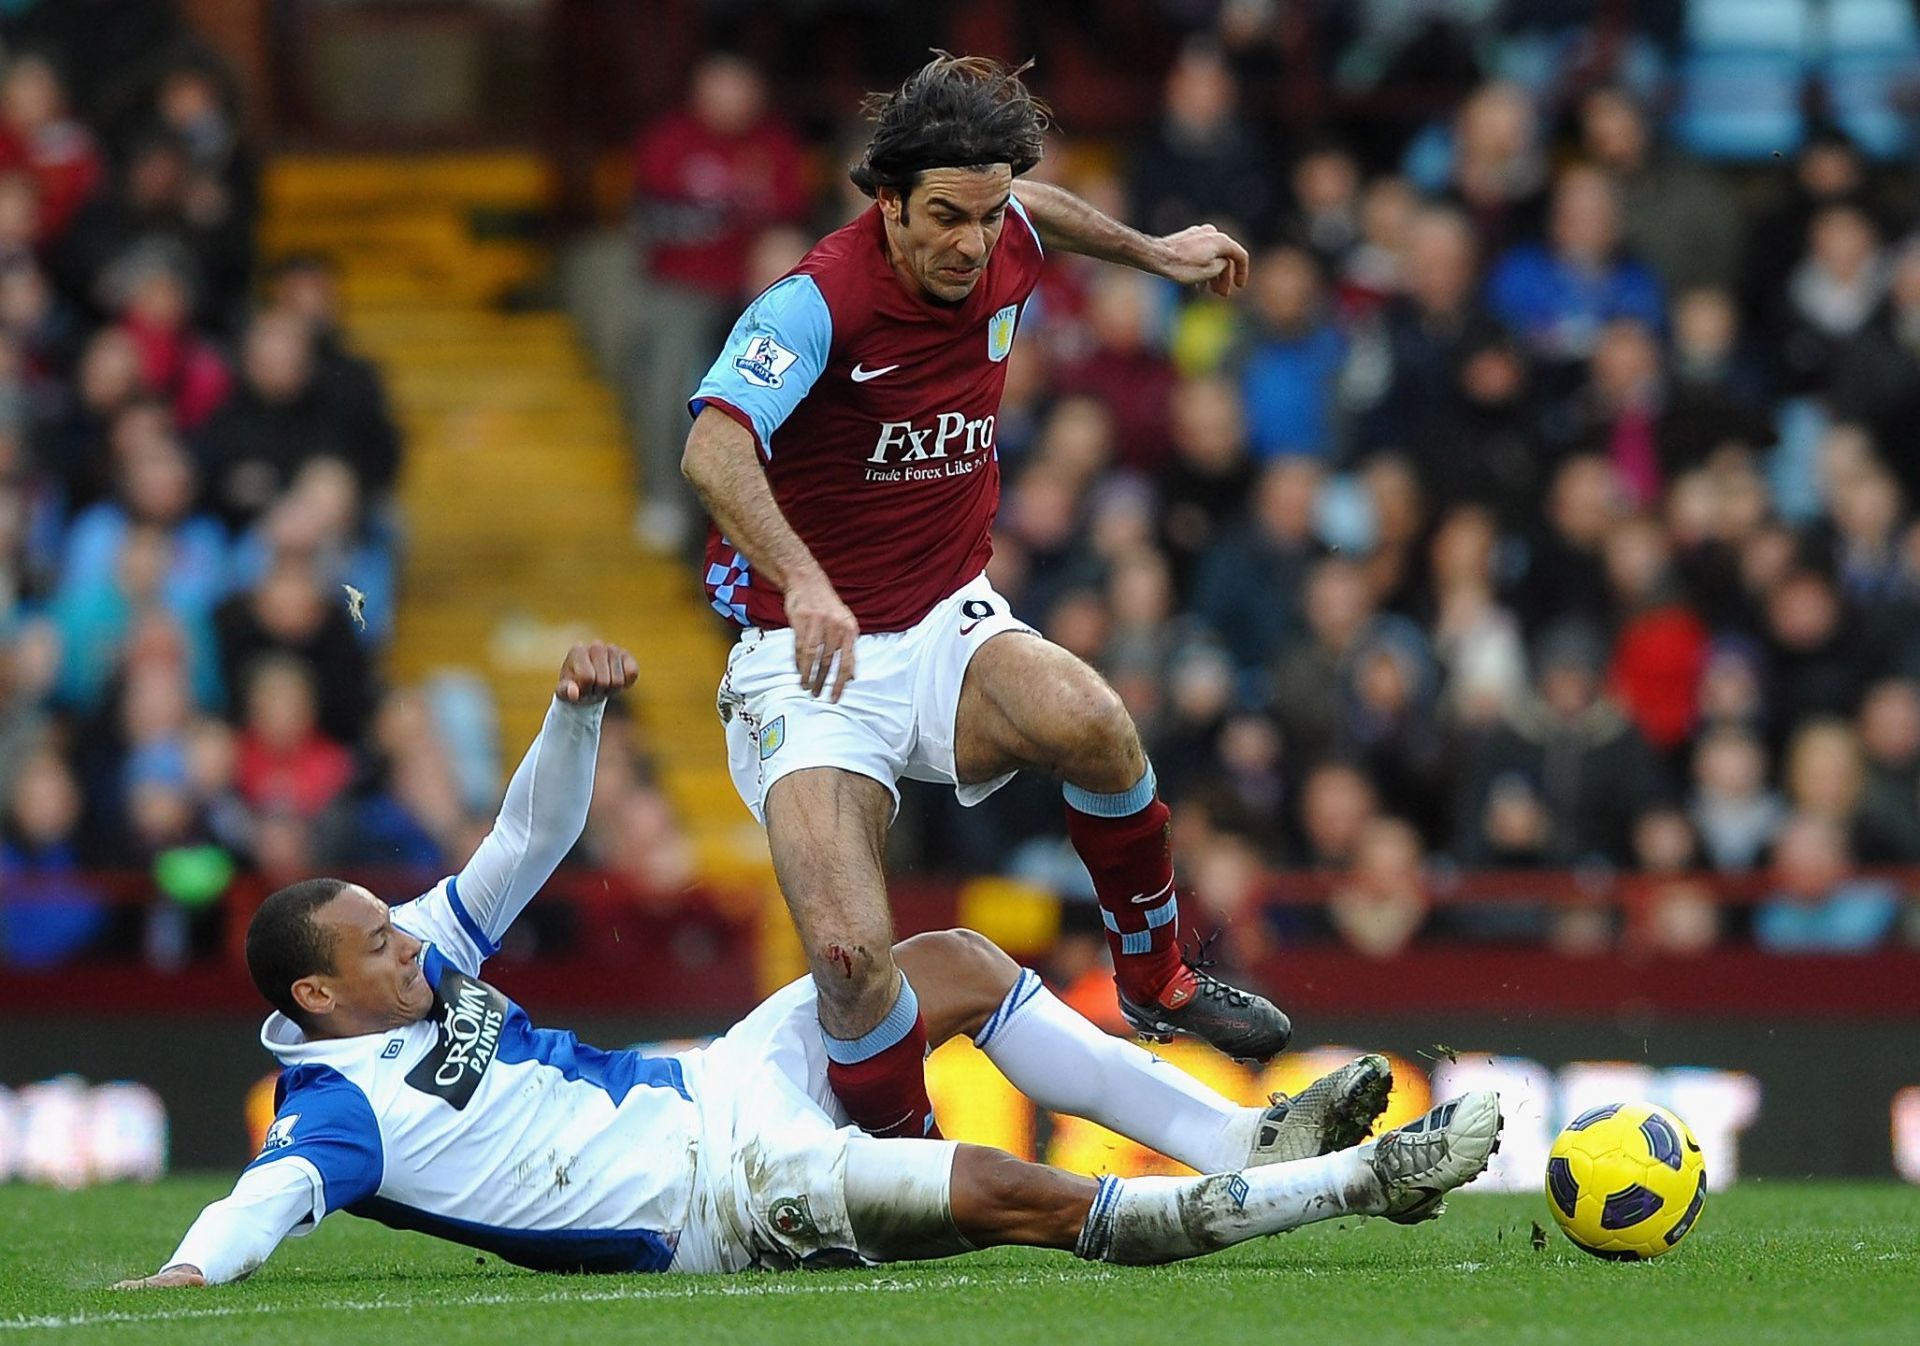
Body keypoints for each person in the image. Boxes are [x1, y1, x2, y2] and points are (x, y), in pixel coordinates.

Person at [113, 640, 1500, 1288]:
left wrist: (571, 713)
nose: (406, 937)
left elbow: (525, 841)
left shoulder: (417, 958)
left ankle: (1243, 1130)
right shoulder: (335, 1114)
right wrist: (184, 1277)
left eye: (391, 918)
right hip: (718, 1198)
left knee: (943, 961)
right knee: (1010, 1192)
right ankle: (1350, 1184)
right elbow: (262, 1203)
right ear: (315, 994)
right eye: (373, 940)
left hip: (714, 1080)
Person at [679, 55, 1292, 1144]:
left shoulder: (1002, 228)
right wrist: (806, 575)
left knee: (1095, 723)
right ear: (886, 202)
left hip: (943, 619)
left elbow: (1036, 210)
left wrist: (1154, 254)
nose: (973, 241)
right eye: (946, 217)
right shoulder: (817, 300)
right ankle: (901, 1164)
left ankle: (1158, 978)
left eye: (988, 210)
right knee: (850, 955)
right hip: (803, 653)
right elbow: (714, 446)